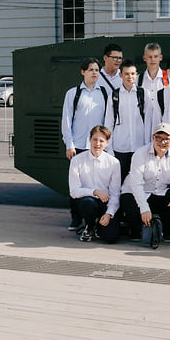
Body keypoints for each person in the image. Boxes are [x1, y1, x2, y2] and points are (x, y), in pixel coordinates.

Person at [60, 58, 111, 230]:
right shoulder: (73, 94)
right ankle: (76, 219)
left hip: (97, 145)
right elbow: (66, 120)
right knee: (77, 184)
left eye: (97, 70)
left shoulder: (104, 94)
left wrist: (106, 145)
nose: (94, 73)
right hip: (79, 145)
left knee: (97, 180)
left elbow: (107, 121)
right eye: (91, 70)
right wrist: (69, 144)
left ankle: (95, 216)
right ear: (83, 72)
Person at [120, 122, 170, 241]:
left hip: (159, 192)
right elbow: (136, 184)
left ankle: (167, 231)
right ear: (153, 138)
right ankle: (135, 229)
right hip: (135, 192)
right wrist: (144, 208)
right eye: (158, 138)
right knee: (133, 208)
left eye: (166, 139)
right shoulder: (140, 154)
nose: (162, 142)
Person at [68, 125, 122, 244]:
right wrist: (95, 191)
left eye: (101, 141)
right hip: (87, 201)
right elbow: (74, 191)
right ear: (89, 140)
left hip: (106, 202)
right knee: (88, 203)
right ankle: (89, 225)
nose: (97, 144)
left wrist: (109, 213)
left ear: (107, 143)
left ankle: (101, 226)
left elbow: (115, 193)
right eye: (95, 139)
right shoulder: (77, 160)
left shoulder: (114, 163)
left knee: (111, 238)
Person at [107, 60, 146, 182]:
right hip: (120, 148)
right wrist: (109, 149)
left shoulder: (143, 94)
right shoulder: (114, 96)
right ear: (121, 75)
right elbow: (108, 123)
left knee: (139, 181)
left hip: (140, 147)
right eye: (127, 74)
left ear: (136, 75)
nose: (130, 77)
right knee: (119, 181)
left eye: (133, 74)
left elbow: (150, 121)